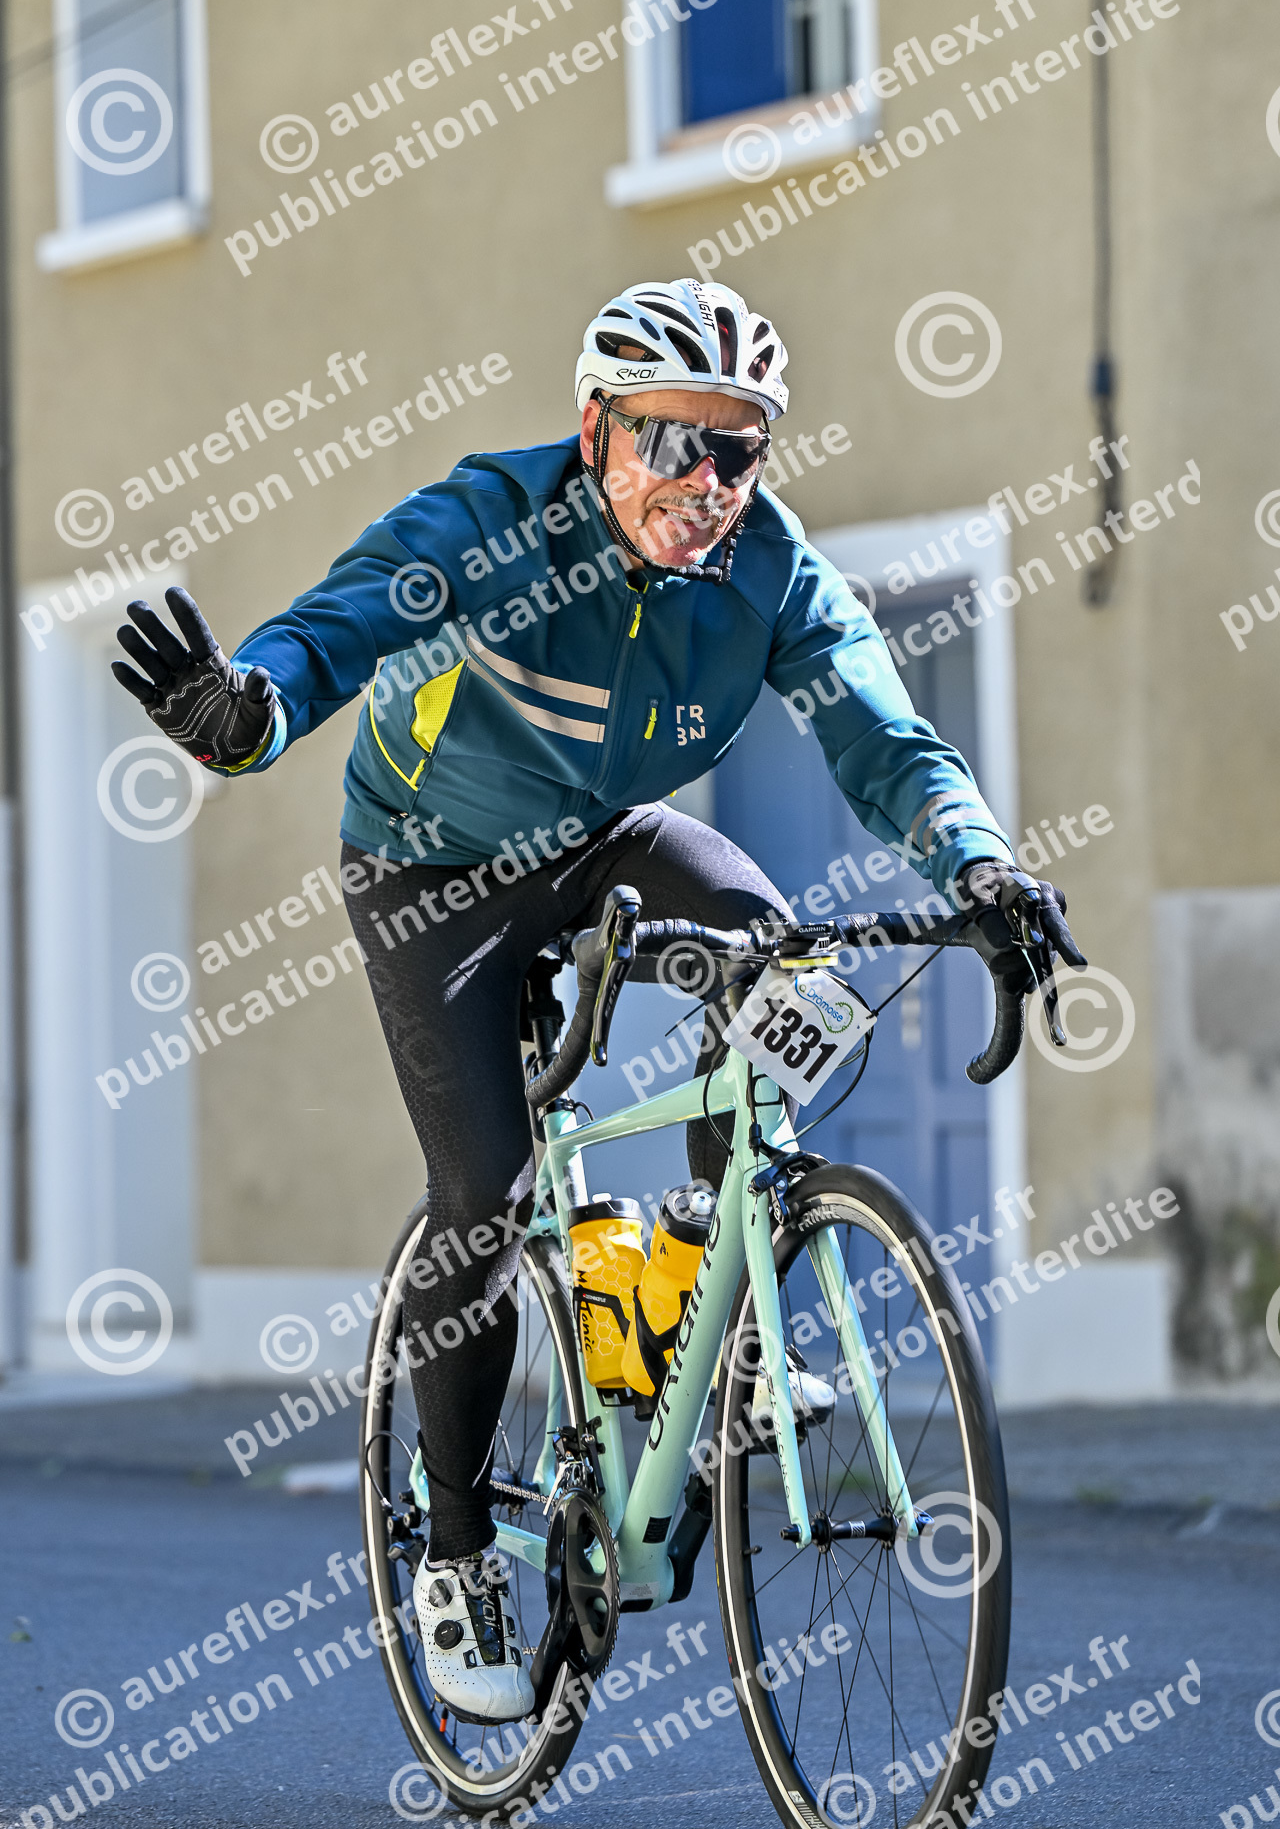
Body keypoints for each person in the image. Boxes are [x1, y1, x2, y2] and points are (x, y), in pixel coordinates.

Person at [110, 277, 1071, 1723]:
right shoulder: (491, 520)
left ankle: (710, 1288)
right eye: (670, 440)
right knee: (487, 1192)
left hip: (600, 840)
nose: (705, 479)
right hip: (430, 867)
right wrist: (246, 716)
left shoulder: (769, 569)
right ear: (595, 430)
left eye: (737, 447)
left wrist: (981, 864)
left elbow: (886, 735)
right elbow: (337, 627)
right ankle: (453, 1552)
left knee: (785, 966)